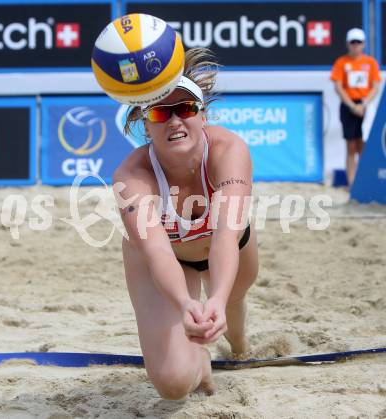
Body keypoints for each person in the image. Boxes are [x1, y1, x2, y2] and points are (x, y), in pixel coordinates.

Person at [112, 48, 258, 400]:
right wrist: (183, 304)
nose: (175, 120)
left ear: (202, 115)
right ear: (146, 124)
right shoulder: (131, 177)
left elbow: (226, 238)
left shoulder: (229, 150)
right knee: (172, 385)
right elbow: (159, 254)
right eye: (161, 112)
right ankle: (201, 361)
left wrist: (218, 300)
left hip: (227, 247)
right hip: (167, 261)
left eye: (186, 108)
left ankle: (237, 345)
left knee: (233, 316)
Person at [330, 28, 381, 186]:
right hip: (349, 106)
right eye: (353, 42)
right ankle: (352, 183)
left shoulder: (370, 62)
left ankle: (365, 181)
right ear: (348, 43)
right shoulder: (341, 62)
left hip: (366, 106)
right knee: (351, 146)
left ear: (364, 44)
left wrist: (364, 104)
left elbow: (376, 86)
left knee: (364, 145)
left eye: (358, 42)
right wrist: (353, 106)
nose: (355, 45)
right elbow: (338, 87)